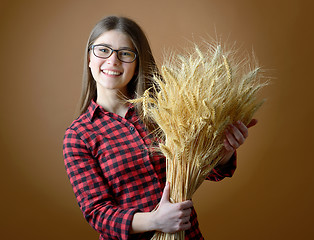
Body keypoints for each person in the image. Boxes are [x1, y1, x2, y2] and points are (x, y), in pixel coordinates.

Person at [63, 15, 257, 240]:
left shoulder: (168, 111)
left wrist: (223, 153)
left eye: (125, 53)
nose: (113, 60)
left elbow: (204, 171)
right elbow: (98, 214)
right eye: (103, 50)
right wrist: (156, 221)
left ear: (136, 64)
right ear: (89, 57)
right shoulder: (79, 136)